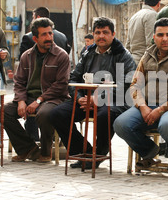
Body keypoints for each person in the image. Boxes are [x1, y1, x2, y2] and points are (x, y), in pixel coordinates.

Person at [49, 17, 136, 170]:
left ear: (113, 34)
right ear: (93, 35)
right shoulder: (88, 53)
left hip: (114, 101)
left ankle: (99, 153)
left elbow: (125, 85)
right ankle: (84, 152)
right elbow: (73, 79)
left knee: (104, 115)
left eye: (105, 32)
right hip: (86, 99)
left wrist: (98, 98)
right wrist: (80, 97)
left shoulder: (123, 55)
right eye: (97, 32)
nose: (101, 36)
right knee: (57, 114)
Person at [114, 18, 168, 173]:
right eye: (160, 35)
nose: (164, 39)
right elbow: (135, 85)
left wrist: (160, 109)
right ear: (154, 37)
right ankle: (149, 153)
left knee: (167, 124)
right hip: (148, 106)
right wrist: (143, 106)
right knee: (121, 123)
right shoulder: (148, 56)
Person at [0, 18, 70, 163]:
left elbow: (61, 84)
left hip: (53, 99)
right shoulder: (27, 56)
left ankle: (45, 151)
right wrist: (21, 101)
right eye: (44, 35)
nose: (48, 38)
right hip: (29, 97)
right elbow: (19, 82)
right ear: (35, 38)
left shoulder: (61, 56)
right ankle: (27, 149)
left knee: (44, 114)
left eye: (50, 33)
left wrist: (39, 100)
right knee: (2, 112)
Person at [125, 0, 162, 65]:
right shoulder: (152, 15)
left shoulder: (134, 16)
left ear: (144, 2)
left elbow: (128, 44)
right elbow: (151, 43)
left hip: (132, 61)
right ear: (158, 4)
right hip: (144, 63)